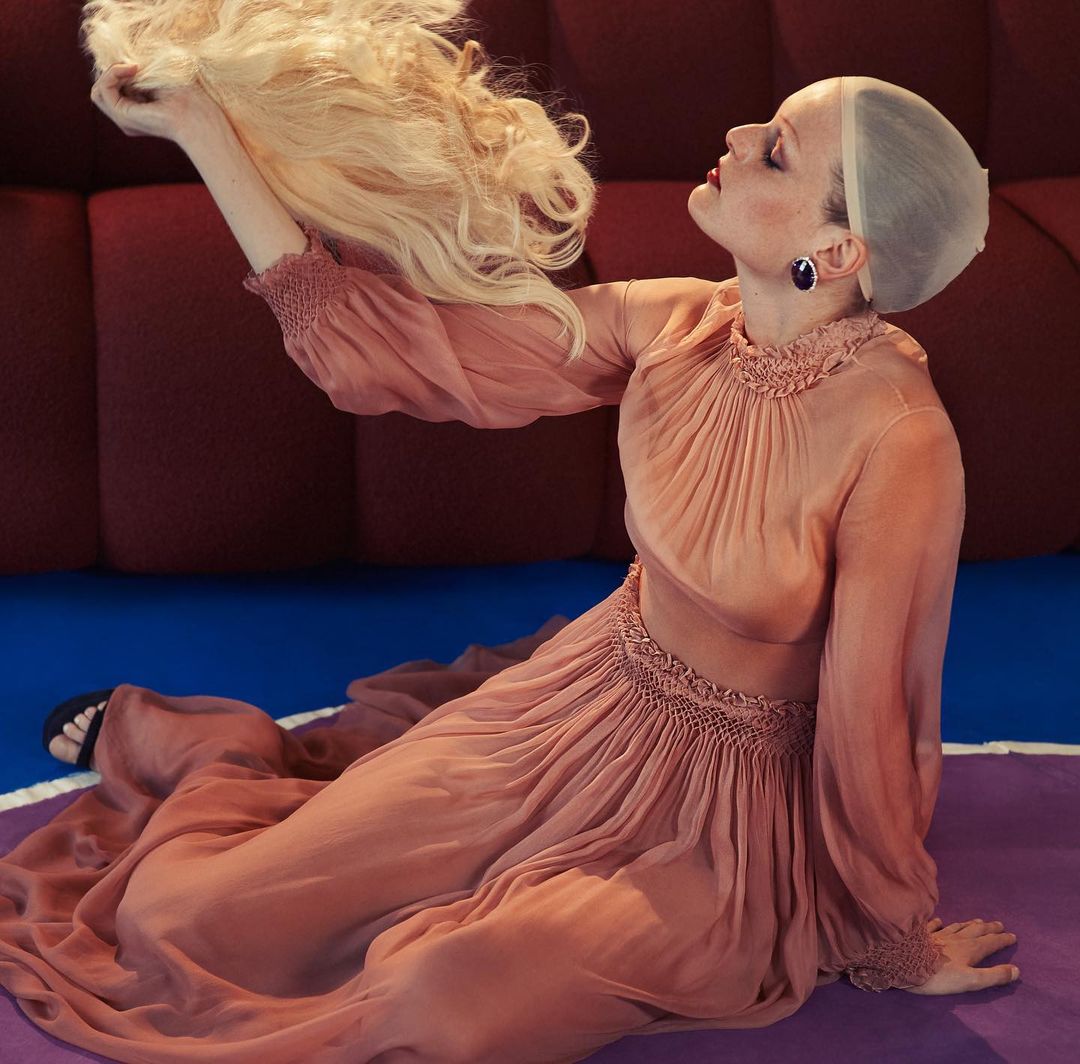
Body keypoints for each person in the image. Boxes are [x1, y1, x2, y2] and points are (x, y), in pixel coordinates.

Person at [3, 62, 1018, 1064]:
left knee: (443, 1006)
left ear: (834, 250)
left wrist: (891, 932)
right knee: (191, 919)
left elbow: (878, 709)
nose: (738, 138)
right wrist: (200, 127)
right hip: (570, 713)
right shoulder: (679, 322)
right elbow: (402, 353)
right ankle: (207, 750)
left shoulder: (900, 437)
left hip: (722, 823)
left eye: (779, 151)